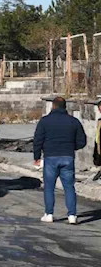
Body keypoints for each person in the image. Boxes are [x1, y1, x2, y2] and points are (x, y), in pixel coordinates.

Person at [33, 96, 87, 224]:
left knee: (49, 187)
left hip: (50, 157)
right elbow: (82, 141)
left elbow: (37, 140)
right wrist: (71, 147)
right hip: (68, 157)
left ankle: (49, 214)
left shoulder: (45, 121)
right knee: (69, 187)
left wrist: (36, 157)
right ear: (65, 106)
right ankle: (72, 215)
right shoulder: (73, 121)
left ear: (53, 106)